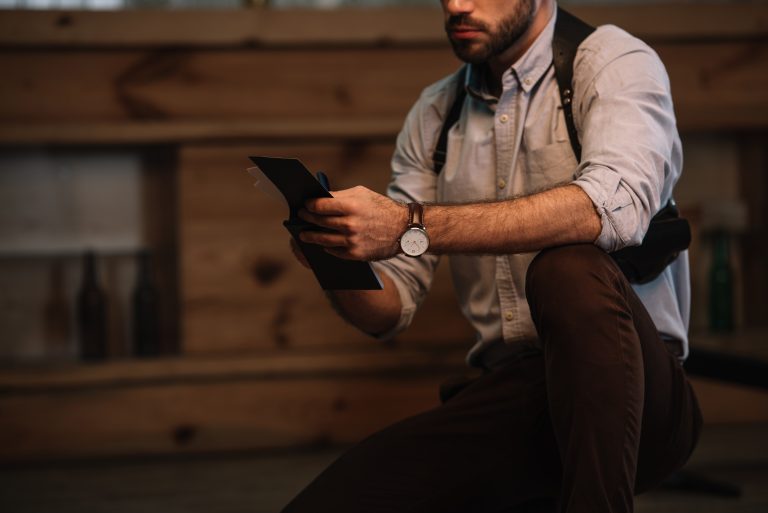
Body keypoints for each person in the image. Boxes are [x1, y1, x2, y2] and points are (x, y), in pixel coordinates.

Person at [283, 0, 702, 512]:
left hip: (640, 393)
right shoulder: (437, 113)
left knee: (567, 267)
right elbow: (388, 311)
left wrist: (409, 224)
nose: (458, 4)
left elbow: (606, 208)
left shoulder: (614, 62)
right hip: (516, 396)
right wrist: (334, 257)